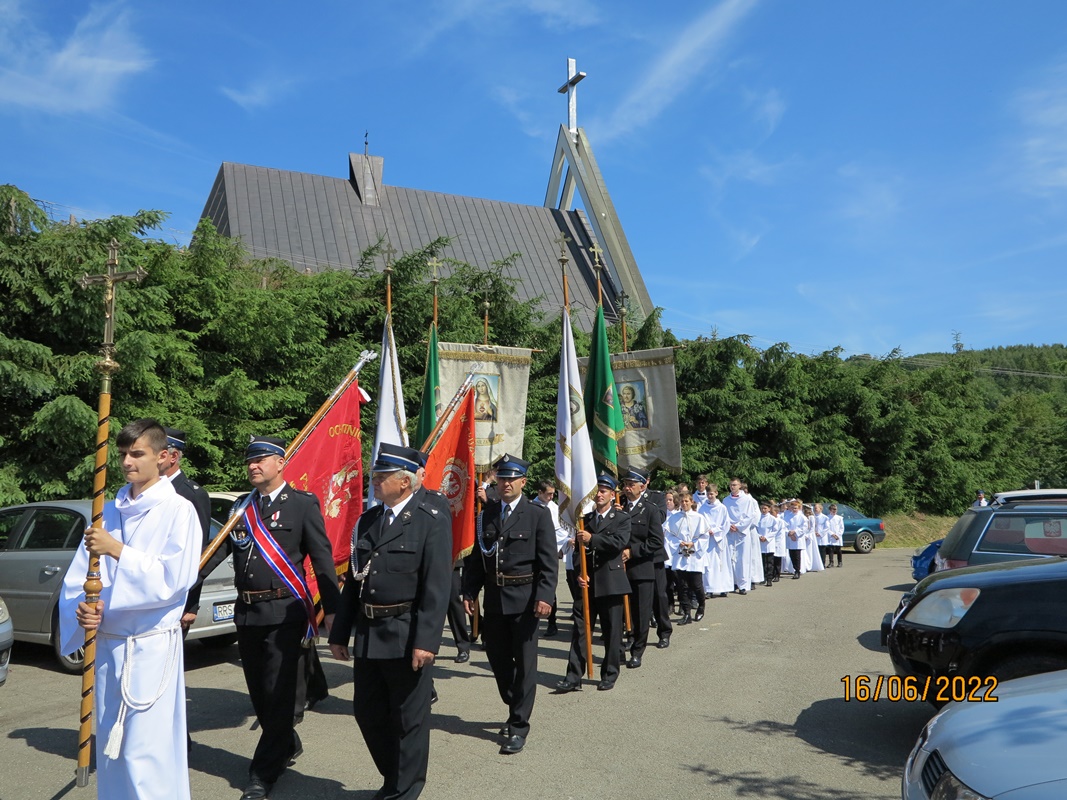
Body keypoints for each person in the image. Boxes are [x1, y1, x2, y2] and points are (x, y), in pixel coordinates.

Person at [59, 418, 200, 800]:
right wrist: (84, 610)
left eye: (137, 454)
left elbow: (175, 578)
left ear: (162, 457)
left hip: (150, 648)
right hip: (109, 647)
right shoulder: (107, 511)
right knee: (113, 750)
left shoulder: (179, 510)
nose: (126, 462)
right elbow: (80, 579)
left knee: (144, 752)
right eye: (122, 454)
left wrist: (118, 550)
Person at [199, 435, 341, 800]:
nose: (253, 465)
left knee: (278, 696)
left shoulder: (302, 505)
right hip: (248, 613)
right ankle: (286, 741)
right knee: (261, 695)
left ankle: (262, 774)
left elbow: (322, 559)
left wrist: (333, 611)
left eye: (261, 459)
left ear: (281, 462)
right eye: (250, 460)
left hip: (284, 614)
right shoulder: (242, 508)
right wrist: (185, 592)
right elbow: (214, 556)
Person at [328, 443, 451, 800]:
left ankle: (403, 791)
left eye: (381, 477)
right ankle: (394, 777)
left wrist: (426, 641)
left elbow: (437, 586)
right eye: (375, 476)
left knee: (409, 720)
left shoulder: (430, 518)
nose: (374, 482)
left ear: (405, 482)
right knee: (368, 713)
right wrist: (340, 633)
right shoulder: (368, 520)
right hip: (369, 634)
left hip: (406, 631)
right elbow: (354, 582)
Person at [463, 454, 557, 755]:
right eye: (502, 478)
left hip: (526, 600)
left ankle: (518, 726)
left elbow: (548, 562)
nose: (506, 483)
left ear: (523, 482)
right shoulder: (487, 514)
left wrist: (545, 596)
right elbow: (478, 559)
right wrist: (469, 591)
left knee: (526, 664)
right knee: (498, 659)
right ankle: (515, 701)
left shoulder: (537, 514)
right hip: (494, 599)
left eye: (512, 478)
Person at [556, 473, 631, 692]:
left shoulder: (621, 518)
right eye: (597, 491)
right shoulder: (585, 519)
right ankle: (573, 676)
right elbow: (578, 551)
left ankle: (609, 673)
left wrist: (593, 539)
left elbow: (618, 543)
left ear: (612, 495)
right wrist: (580, 572)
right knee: (580, 631)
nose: (599, 495)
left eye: (604, 491)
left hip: (611, 582)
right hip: (587, 584)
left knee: (611, 631)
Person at [162, 428, 212, 635]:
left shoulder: (191, 494)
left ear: (173, 456)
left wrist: (191, 604)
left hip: (178, 599)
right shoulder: (145, 491)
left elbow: (199, 552)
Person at [618, 466, 665, 668]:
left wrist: (632, 552)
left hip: (641, 568)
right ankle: (620, 648)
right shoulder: (618, 506)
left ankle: (637, 651)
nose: (627, 488)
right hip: (619, 569)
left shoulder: (650, 509)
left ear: (642, 486)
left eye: (631, 484)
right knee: (620, 612)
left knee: (641, 612)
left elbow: (656, 542)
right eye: (625, 484)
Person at [666, 491, 709, 623]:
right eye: (682, 501)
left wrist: (693, 544)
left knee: (696, 585)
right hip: (680, 555)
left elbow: (705, 536)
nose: (684, 504)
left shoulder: (699, 518)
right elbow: (668, 535)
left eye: (687, 501)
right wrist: (678, 543)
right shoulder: (674, 518)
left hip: (694, 555)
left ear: (691, 502)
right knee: (682, 586)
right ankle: (686, 613)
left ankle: (701, 606)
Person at [530, 479, 565, 637]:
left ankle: (552, 622)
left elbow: (560, 531)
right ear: (540, 492)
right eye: (548, 494)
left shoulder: (554, 508)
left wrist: (559, 547)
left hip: (549, 553)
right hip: (533, 554)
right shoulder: (531, 506)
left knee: (549, 589)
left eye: (553, 494)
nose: (551, 497)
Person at [722, 478, 759, 594]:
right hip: (730, 531)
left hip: (742, 532)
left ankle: (743, 585)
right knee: (729, 558)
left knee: (743, 559)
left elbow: (750, 516)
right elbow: (724, 515)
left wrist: (738, 526)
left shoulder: (747, 499)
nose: (732, 487)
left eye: (734, 485)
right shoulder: (725, 500)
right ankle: (731, 583)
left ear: (739, 486)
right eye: (731, 485)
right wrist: (729, 525)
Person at [698, 483, 732, 599]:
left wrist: (716, 531)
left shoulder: (722, 508)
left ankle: (723, 588)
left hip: (718, 540)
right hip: (707, 539)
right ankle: (709, 589)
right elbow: (700, 521)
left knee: (721, 564)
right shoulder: (703, 508)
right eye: (708, 494)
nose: (710, 496)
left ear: (716, 493)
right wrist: (706, 531)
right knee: (709, 564)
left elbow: (726, 524)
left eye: (712, 494)